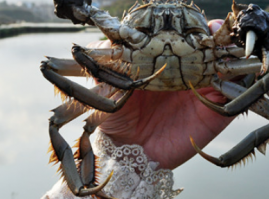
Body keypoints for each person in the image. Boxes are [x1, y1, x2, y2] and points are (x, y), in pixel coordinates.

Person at [42, 20, 236, 199]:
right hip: (124, 86)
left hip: (201, 84)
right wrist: (125, 154)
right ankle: (83, 186)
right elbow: (55, 66)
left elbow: (261, 68)